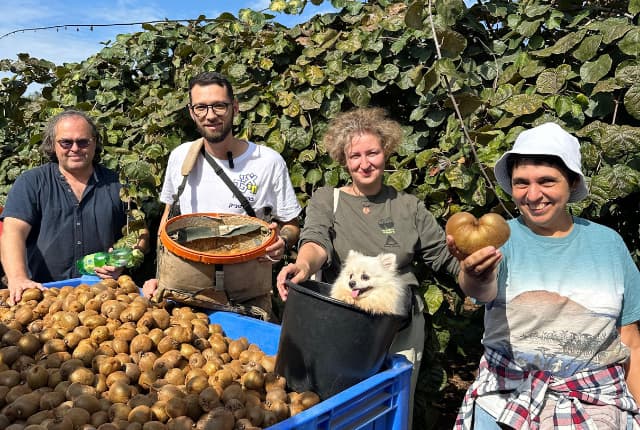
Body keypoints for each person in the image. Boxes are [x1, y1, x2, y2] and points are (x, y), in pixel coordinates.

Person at [275, 107, 460, 424]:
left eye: (372, 152)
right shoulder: (327, 199)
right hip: (344, 327)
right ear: (344, 160)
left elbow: (444, 259)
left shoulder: (408, 207)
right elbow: (315, 241)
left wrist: (472, 262)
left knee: (391, 412)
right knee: (343, 410)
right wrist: (303, 266)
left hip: (399, 331)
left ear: (385, 151)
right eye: (355, 156)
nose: (364, 163)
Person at [450, 122, 640, 429]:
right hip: (504, 399)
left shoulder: (608, 244)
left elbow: (629, 339)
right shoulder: (501, 238)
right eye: (521, 182)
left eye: (547, 181)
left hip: (596, 402)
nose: (533, 194)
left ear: (572, 182)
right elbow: (479, 289)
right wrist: (473, 272)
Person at [142, 71, 301, 321]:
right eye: (201, 107)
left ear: (235, 107)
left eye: (219, 105)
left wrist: (282, 240)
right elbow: (168, 220)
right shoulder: (180, 157)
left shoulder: (268, 162)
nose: (211, 115)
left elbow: (291, 225)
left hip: (246, 299)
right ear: (192, 111)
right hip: (186, 294)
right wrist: (161, 277)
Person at [0, 110, 149, 304]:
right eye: (66, 142)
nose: (75, 148)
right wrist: (18, 278)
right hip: (42, 295)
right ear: (53, 144)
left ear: (95, 142)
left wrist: (125, 258)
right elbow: (12, 233)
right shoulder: (32, 182)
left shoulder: (118, 185)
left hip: (102, 299)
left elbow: (141, 233)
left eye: (83, 142)